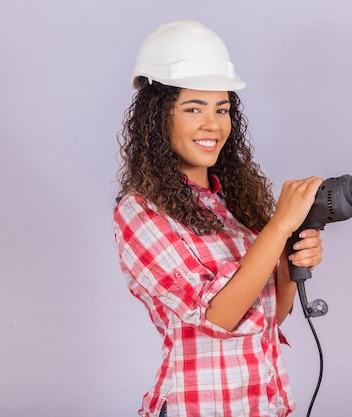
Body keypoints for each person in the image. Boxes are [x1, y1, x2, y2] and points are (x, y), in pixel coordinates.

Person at [113, 20, 324, 417]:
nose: (213, 124)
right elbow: (218, 318)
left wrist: (289, 259)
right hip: (199, 408)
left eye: (222, 109)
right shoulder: (140, 211)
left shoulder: (233, 204)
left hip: (263, 404)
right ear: (159, 119)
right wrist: (278, 226)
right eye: (194, 108)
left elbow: (266, 316)